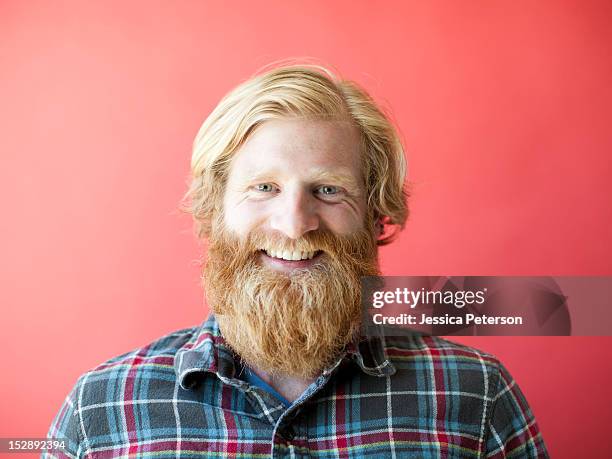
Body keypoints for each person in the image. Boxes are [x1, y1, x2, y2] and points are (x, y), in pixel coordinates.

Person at [45, 64, 549, 458]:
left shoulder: (476, 395)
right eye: (264, 188)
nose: (294, 224)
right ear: (213, 212)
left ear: (377, 216)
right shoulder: (100, 410)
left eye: (328, 190)